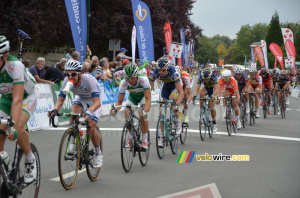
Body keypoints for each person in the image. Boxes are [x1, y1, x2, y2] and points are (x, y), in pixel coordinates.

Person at [49, 60, 103, 167]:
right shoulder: (66, 81)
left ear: (81, 73)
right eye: (67, 74)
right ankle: (72, 141)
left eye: (73, 74)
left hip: (94, 99)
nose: (70, 77)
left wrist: (89, 111)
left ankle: (99, 154)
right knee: (74, 114)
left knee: (91, 126)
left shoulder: (88, 80)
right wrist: (54, 110)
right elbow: (60, 100)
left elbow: (97, 102)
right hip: (81, 97)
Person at [0, 35, 37, 183]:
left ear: (5, 56)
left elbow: (17, 99)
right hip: (5, 99)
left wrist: (13, 125)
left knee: (16, 128)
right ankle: (5, 162)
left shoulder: (15, 66)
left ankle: (30, 158)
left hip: (26, 97)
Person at [111, 63, 151, 149]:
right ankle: (133, 135)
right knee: (126, 113)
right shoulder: (123, 83)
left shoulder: (143, 79)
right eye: (127, 78)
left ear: (136, 75)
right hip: (133, 97)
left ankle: (144, 140)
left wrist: (145, 110)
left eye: (132, 77)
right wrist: (115, 110)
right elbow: (119, 101)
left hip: (143, 97)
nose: (130, 80)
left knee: (142, 114)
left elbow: (148, 98)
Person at [149, 57, 184, 143]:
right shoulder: (154, 73)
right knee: (161, 112)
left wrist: (177, 104)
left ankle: (178, 123)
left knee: (172, 99)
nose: (161, 72)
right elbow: (149, 89)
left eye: (163, 70)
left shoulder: (174, 73)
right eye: (160, 70)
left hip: (174, 87)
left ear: (167, 68)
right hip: (165, 86)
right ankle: (161, 136)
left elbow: (181, 92)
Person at [193, 68, 218, 132]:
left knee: (211, 107)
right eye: (205, 79)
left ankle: (214, 123)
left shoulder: (214, 77)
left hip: (212, 90)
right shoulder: (201, 77)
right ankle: (202, 110)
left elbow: (216, 89)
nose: (206, 80)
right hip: (205, 88)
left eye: (207, 79)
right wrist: (195, 95)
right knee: (201, 93)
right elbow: (197, 88)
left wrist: (213, 96)